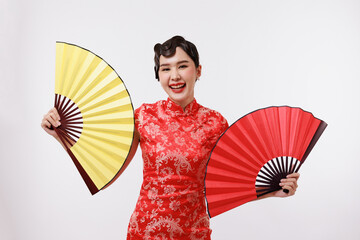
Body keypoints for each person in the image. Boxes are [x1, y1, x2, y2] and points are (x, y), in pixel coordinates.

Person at [41, 36, 300, 240]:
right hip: (145, 231)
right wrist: (59, 136)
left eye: (182, 66)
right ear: (159, 76)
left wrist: (275, 190)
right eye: (165, 69)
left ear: (198, 71)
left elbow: (235, 181)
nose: (174, 75)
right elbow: (109, 171)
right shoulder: (144, 116)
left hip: (195, 233)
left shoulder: (215, 122)